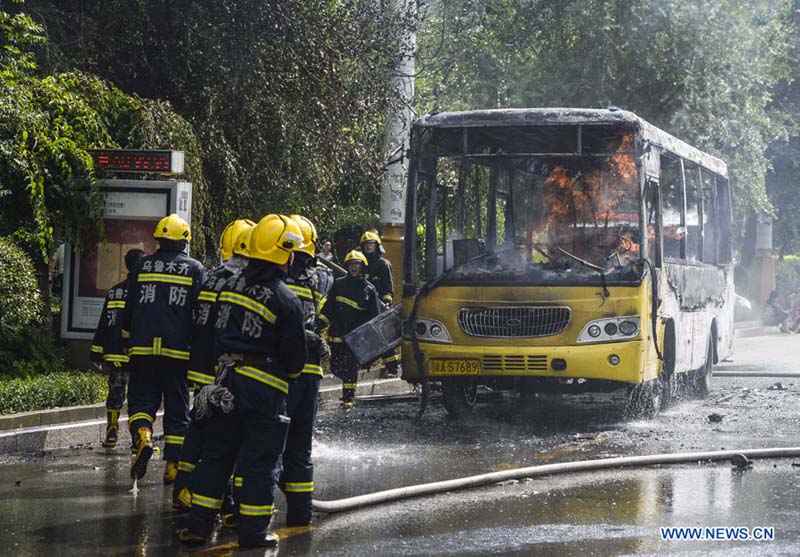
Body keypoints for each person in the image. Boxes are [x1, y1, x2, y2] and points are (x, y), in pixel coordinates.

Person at [180, 214, 306, 548]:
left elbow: (215, 331)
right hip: (265, 390)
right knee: (259, 462)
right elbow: (295, 362)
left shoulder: (229, 285)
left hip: (225, 383)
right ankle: (252, 534)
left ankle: (198, 527)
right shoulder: (286, 300)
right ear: (284, 255)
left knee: (218, 454)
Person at [172, 219, 255, 510]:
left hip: (202, 367)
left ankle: (183, 490)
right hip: (225, 372)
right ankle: (226, 503)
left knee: (198, 426)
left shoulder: (213, 277)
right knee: (226, 438)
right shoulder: (245, 284)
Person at [122, 214, 206, 483]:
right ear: (184, 242)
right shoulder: (194, 268)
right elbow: (201, 312)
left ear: (158, 240)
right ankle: (173, 466)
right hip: (178, 350)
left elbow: (130, 306)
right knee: (177, 407)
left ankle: (144, 435)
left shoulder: (142, 266)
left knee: (141, 400)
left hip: (143, 347)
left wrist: (127, 338)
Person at [275, 214, 330, 527]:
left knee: (269, 442)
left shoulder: (272, 280)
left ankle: (253, 510)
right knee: (299, 445)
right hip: (309, 372)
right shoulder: (319, 278)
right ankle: (300, 513)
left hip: (278, 372)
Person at [90, 248, 144, 449]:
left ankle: (112, 432)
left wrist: (96, 352)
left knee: (115, 393)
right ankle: (137, 439)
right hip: (136, 355)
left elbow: (104, 323)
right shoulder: (145, 292)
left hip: (114, 354)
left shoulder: (114, 291)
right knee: (138, 399)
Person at [320, 250, 382, 409]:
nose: (354, 267)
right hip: (337, 334)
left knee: (350, 366)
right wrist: (319, 324)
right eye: (351, 264)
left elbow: (374, 315)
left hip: (356, 336)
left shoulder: (368, 288)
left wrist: (369, 338)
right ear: (347, 266)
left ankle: (348, 398)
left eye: (357, 264)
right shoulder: (339, 284)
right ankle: (348, 384)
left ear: (362, 267)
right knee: (335, 366)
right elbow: (329, 307)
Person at [359, 230, 400, 377]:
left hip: (378, 307)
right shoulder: (360, 264)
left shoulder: (383, 264)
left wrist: (386, 302)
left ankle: (393, 368)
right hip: (363, 306)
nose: (368, 247)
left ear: (377, 245)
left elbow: (388, 287)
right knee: (362, 336)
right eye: (365, 244)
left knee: (382, 337)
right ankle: (364, 365)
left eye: (371, 244)